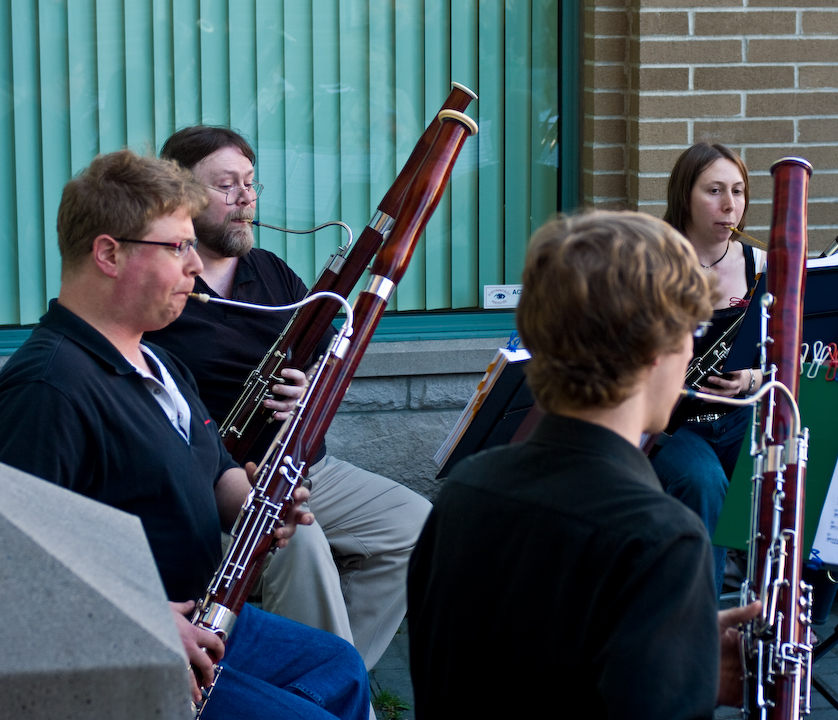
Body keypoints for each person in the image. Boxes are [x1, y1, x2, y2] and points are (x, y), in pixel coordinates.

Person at [0, 149, 369, 720]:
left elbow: (216, 470)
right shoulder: (49, 388)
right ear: (109, 254)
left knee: (337, 667)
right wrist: (142, 616)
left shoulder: (159, 360)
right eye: (178, 247)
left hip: (197, 615)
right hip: (123, 647)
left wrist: (259, 506)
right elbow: (15, 569)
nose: (196, 266)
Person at [407, 211, 761, 718]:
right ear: (653, 353)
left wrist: (687, 659)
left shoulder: (467, 490)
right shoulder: (660, 539)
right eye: (689, 331)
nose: (690, 353)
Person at [145, 125, 432, 670]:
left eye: (250, 183)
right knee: (305, 549)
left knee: (414, 526)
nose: (246, 199)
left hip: (302, 464)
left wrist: (310, 387)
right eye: (226, 186)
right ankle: (324, 688)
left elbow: (328, 353)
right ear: (180, 195)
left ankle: (332, 678)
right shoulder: (165, 285)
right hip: (224, 482)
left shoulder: (270, 268)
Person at [652, 142, 766, 596]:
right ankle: (698, 624)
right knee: (704, 482)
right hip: (674, 424)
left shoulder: (759, 264)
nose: (729, 205)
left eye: (738, 192)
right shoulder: (652, 259)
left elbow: (784, 353)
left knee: (799, 466)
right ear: (685, 197)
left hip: (737, 415)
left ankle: (795, 610)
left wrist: (752, 378)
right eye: (714, 190)